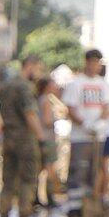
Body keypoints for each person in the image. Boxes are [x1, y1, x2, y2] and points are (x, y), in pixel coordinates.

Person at [64, 48, 109, 214]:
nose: (95, 65)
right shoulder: (76, 84)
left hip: (98, 137)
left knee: (94, 172)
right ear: (87, 62)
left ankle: (89, 206)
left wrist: (99, 122)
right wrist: (85, 124)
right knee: (78, 171)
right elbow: (70, 108)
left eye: (98, 62)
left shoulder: (104, 86)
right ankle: (74, 207)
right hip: (80, 137)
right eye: (92, 62)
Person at [0, 53, 46, 217]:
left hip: (8, 138)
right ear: (30, 66)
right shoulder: (24, 87)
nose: (38, 73)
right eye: (38, 68)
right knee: (28, 180)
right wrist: (41, 138)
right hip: (25, 140)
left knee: (8, 182)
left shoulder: (7, 85)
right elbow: (30, 114)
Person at [39, 75, 69, 209]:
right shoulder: (46, 101)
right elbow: (46, 121)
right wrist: (56, 119)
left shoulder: (43, 99)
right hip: (47, 138)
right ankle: (49, 197)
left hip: (44, 138)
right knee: (50, 168)